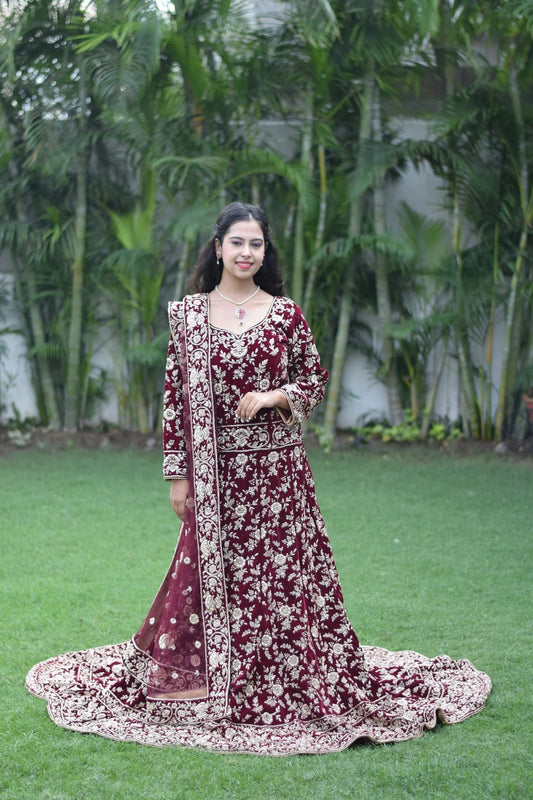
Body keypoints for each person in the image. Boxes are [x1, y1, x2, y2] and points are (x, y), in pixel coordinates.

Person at [26, 202, 491, 756]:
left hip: (278, 477)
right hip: (218, 478)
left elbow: (313, 380)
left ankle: (288, 677)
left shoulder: (286, 314)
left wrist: (275, 396)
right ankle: (216, 679)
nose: (246, 253)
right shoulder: (190, 317)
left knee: (285, 579)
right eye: (237, 242)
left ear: (266, 252)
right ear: (218, 247)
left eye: (256, 244)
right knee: (214, 578)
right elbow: (175, 401)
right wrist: (179, 476)